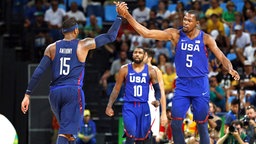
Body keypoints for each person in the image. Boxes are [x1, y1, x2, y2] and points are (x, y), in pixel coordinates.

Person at [116, 3, 240, 144]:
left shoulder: (206, 38)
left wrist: (230, 68)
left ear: (197, 23)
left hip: (200, 84)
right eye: (184, 19)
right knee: (175, 122)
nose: (185, 22)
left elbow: (222, 56)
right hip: (182, 85)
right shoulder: (175, 34)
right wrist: (127, 15)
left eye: (189, 20)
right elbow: (146, 33)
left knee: (202, 124)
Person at [21, 2, 124, 144]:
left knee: (69, 134)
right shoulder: (83, 44)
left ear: (63, 31)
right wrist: (119, 16)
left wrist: (27, 94)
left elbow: (39, 72)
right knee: (66, 133)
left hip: (55, 94)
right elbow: (110, 37)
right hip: (72, 92)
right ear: (76, 31)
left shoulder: (51, 48)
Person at [105, 47, 162, 143]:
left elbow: (157, 89)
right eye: (135, 52)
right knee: (130, 135)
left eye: (140, 53)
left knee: (143, 138)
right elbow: (116, 89)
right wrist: (109, 105)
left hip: (144, 106)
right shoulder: (124, 69)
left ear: (144, 56)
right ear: (132, 55)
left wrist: (158, 100)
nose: (137, 54)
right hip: (129, 106)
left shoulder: (151, 71)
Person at [144, 48, 167, 141]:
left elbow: (161, 92)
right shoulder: (135, 70)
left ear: (149, 58)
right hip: (137, 105)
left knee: (150, 135)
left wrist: (164, 113)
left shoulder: (155, 70)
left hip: (151, 105)